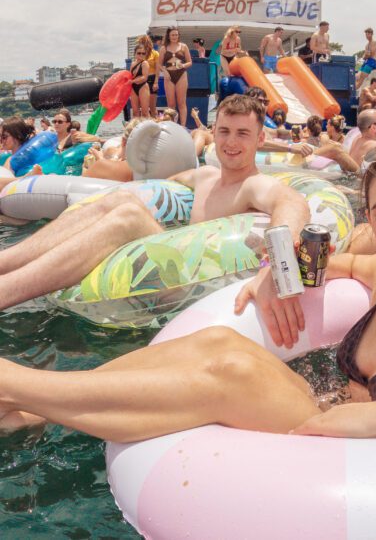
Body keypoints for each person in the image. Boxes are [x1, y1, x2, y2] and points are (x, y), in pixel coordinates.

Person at [0, 146, 376, 488]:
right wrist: (271, 277)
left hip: (372, 456)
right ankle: (28, 412)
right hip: (328, 413)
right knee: (213, 339)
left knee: (231, 365)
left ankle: (13, 381)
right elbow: (324, 263)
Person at [0, 95, 310, 339]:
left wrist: (276, 268)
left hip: (195, 292)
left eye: (243, 133)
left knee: (131, 215)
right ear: (213, 134)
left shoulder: (253, 185)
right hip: (173, 275)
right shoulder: (204, 176)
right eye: (225, 131)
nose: (231, 142)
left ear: (259, 139)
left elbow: (292, 201)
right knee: (124, 198)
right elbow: (152, 186)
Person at [157, 27, 191, 127]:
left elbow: (190, 62)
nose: (174, 37)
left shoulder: (184, 46)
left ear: (178, 35)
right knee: (171, 104)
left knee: (182, 103)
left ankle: (183, 126)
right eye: (172, 35)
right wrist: (164, 72)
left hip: (181, 75)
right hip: (169, 76)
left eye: (176, 35)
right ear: (168, 36)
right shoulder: (163, 48)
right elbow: (158, 64)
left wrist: (183, 65)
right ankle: (172, 126)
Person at [138, 34, 158, 118]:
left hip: (152, 79)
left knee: (152, 106)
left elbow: (158, 69)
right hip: (141, 79)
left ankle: (155, 124)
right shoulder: (140, 53)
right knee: (142, 106)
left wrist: (156, 82)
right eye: (141, 43)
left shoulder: (155, 53)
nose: (142, 44)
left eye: (144, 42)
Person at [129, 44, 150, 119]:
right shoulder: (132, 64)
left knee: (145, 112)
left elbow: (144, 77)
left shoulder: (145, 63)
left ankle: (148, 129)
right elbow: (129, 76)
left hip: (143, 86)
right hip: (133, 88)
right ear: (135, 54)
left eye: (143, 53)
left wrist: (132, 81)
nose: (141, 55)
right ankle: (136, 128)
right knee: (135, 112)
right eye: (139, 53)